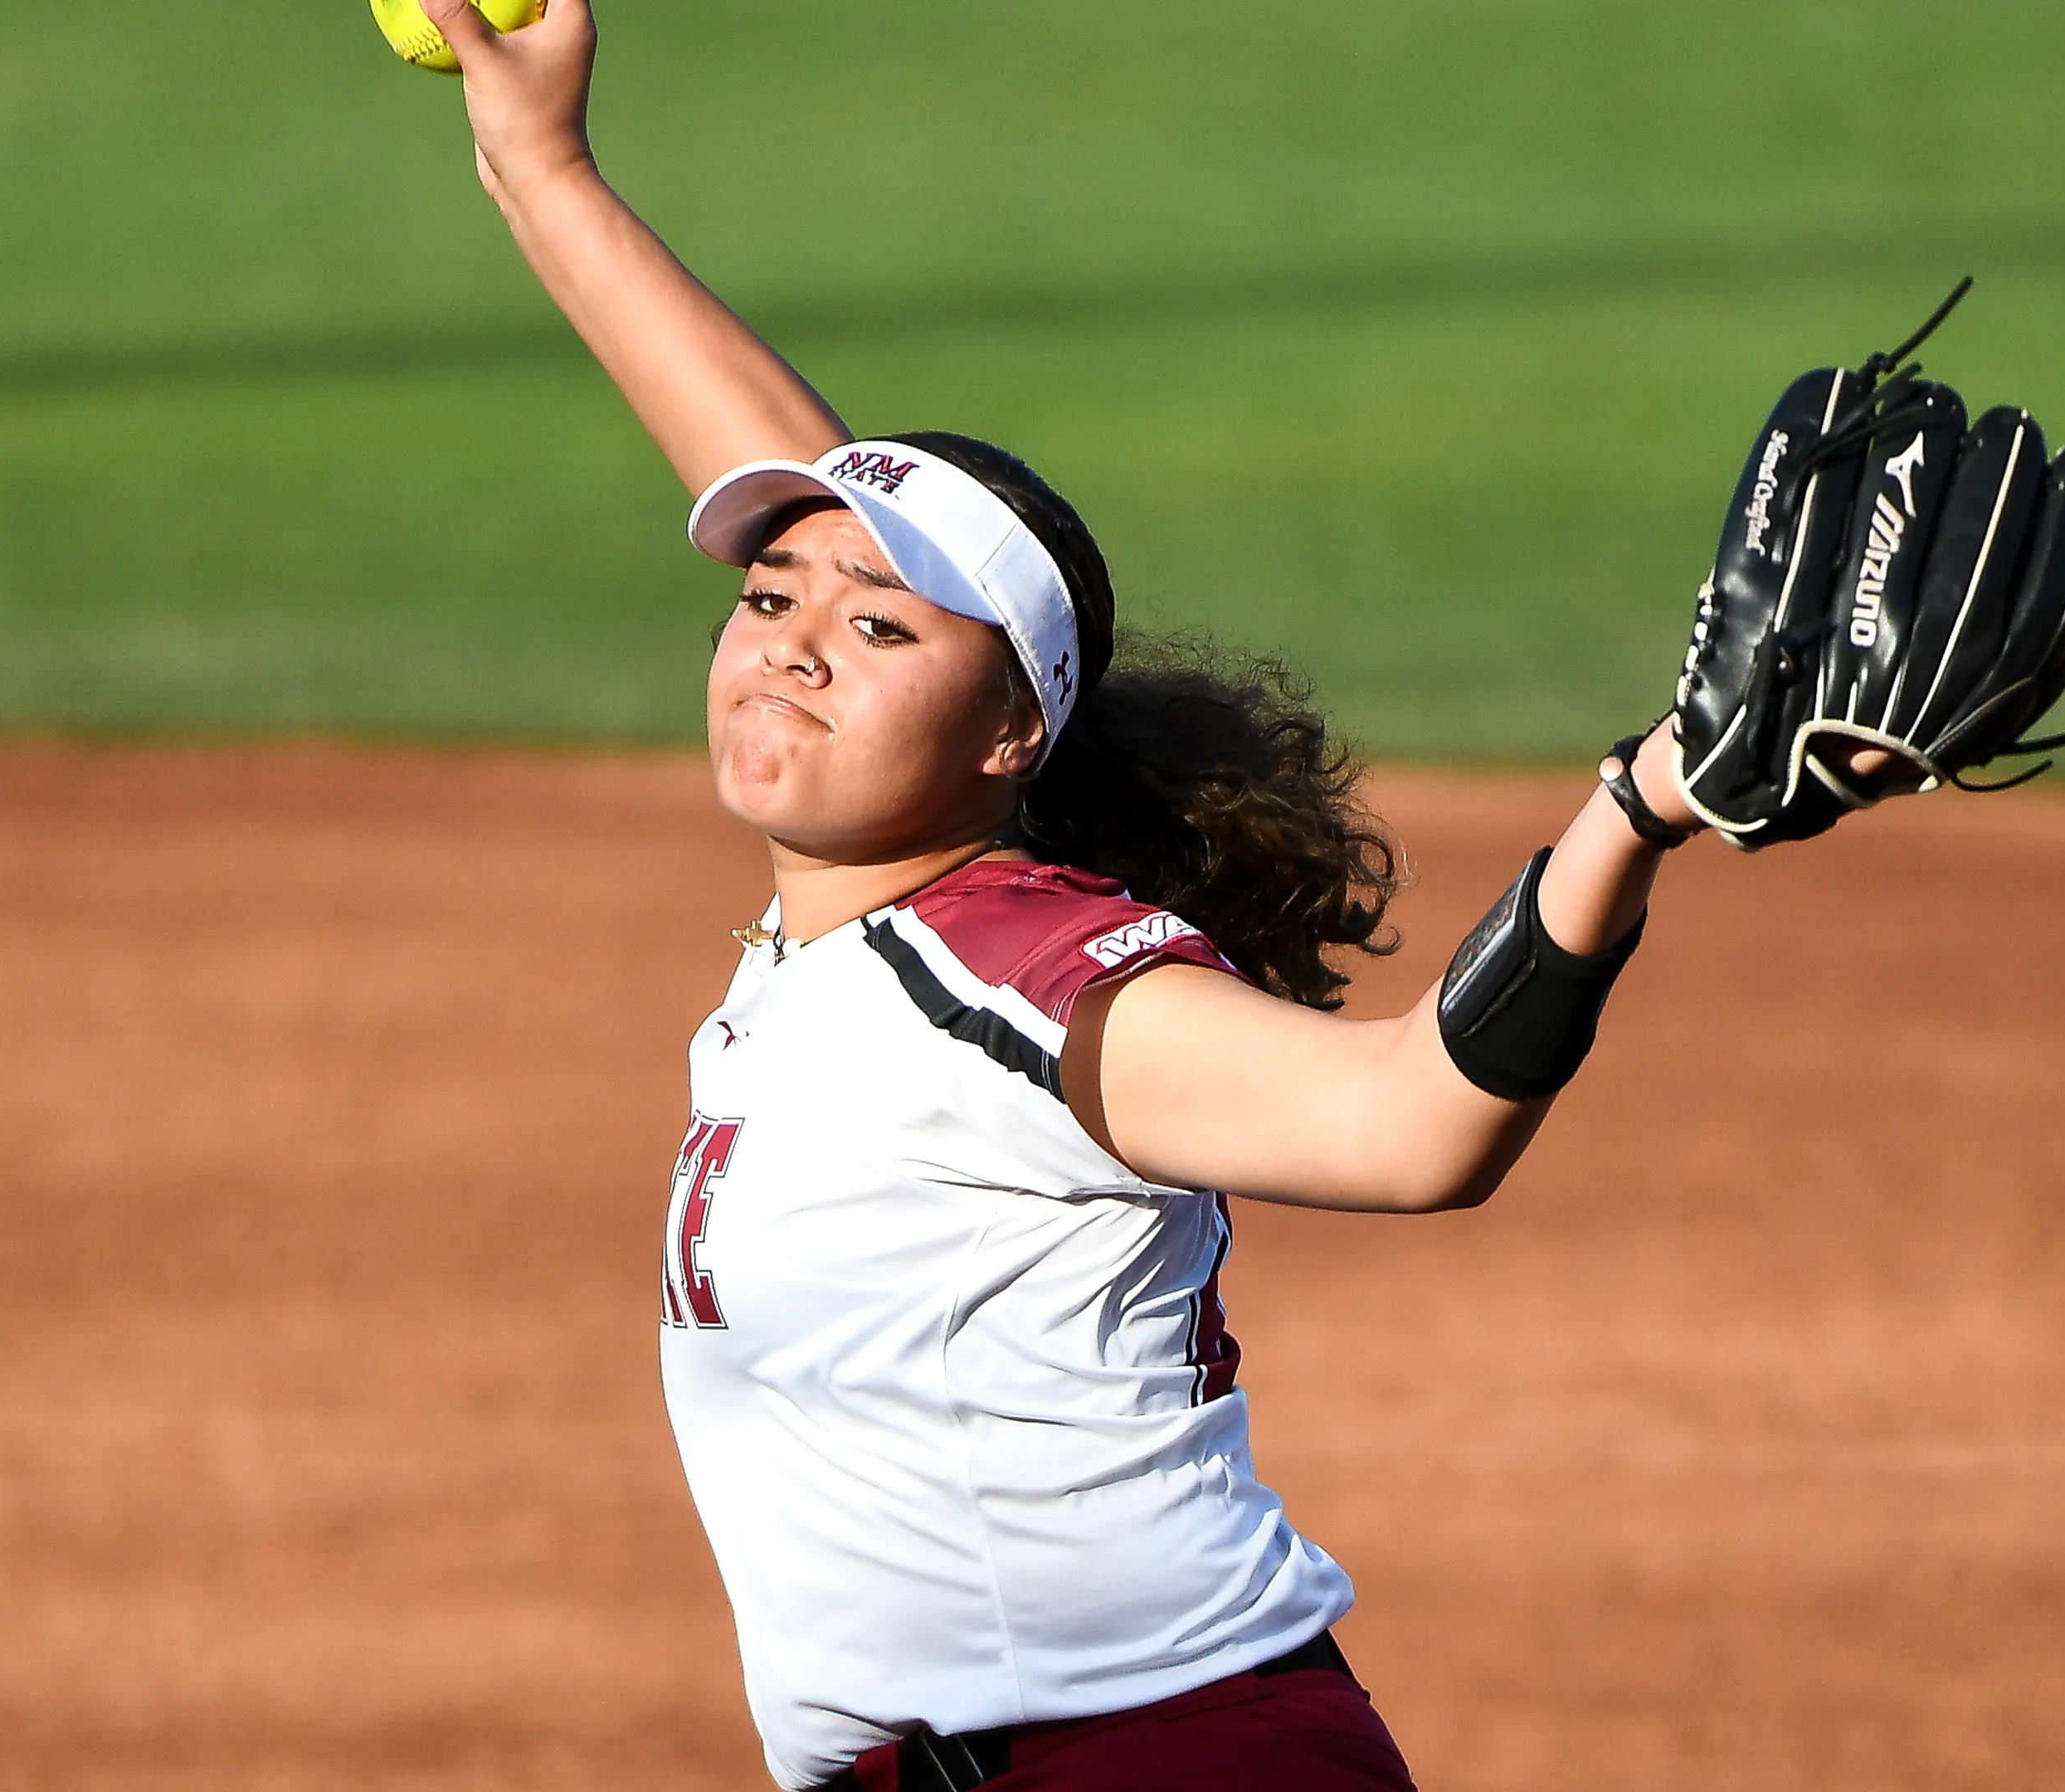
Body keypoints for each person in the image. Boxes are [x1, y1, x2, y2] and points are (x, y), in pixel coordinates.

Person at [411, 4, 1788, 1786]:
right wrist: (541, 162)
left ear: (1008, 738)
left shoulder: (1025, 977)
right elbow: (836, 520)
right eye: (767, 604)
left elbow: (1417, 1124)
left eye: (878, 630)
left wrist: (1636, 809)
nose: (796, 650)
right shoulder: (856, 937)